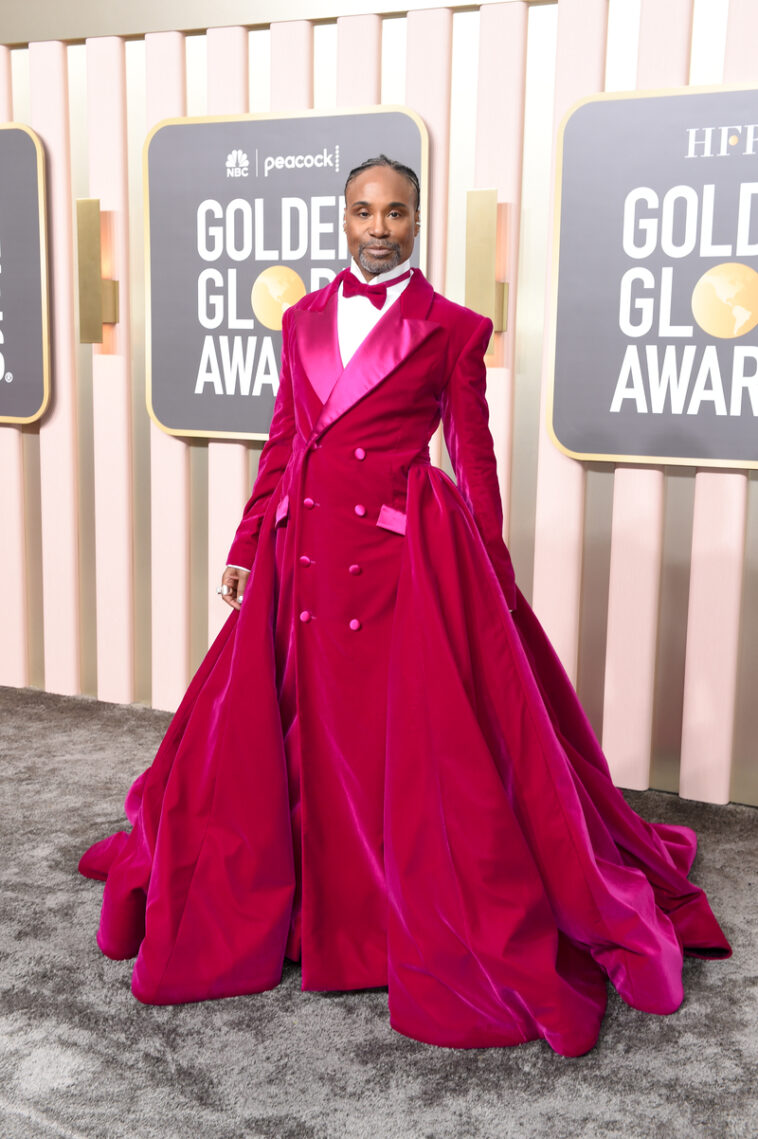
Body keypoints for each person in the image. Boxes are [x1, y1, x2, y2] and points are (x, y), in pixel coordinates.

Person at [80, 155, 730, 1057]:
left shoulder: (453, 328)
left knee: (403, 749)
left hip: (397, 564)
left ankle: (383, 909)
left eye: (394, 213)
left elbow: (473, 454)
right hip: (301, 558)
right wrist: (245, 542)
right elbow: (285, 439)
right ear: (341, 218)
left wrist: (492, 577)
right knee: (287, 736)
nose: (377, 227)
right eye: (362, 211)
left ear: (417, 220)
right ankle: (310, 899)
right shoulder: (302, 317)